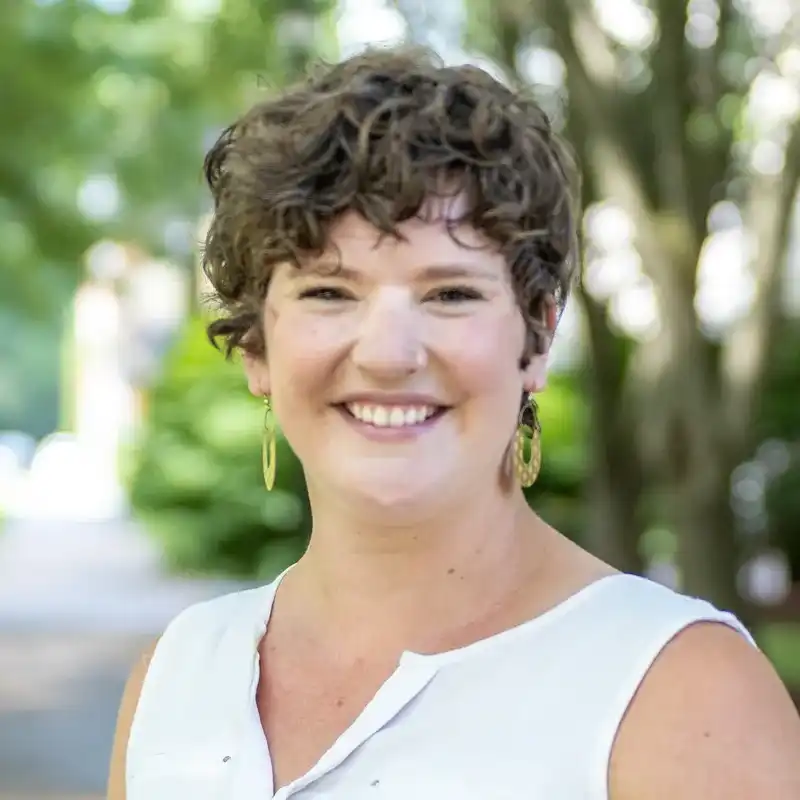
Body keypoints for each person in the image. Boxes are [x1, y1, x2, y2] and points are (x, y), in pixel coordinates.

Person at [107, 46, 800, 800]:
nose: (388, 354)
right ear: (256, 348)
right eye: (330, 293)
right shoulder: (175, 679)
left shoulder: (678, 692)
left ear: (536, 336)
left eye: (450, 295)